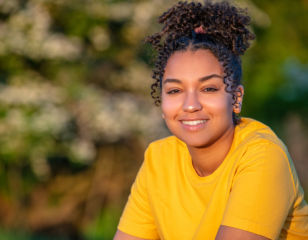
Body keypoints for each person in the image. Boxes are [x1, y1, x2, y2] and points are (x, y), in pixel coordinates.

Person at [114, 1, 308, 240]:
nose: (191, 104)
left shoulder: (263, 154)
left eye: (208, 88)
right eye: (175, 91)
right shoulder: (158, 160)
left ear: (236, 98)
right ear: (162, 104)